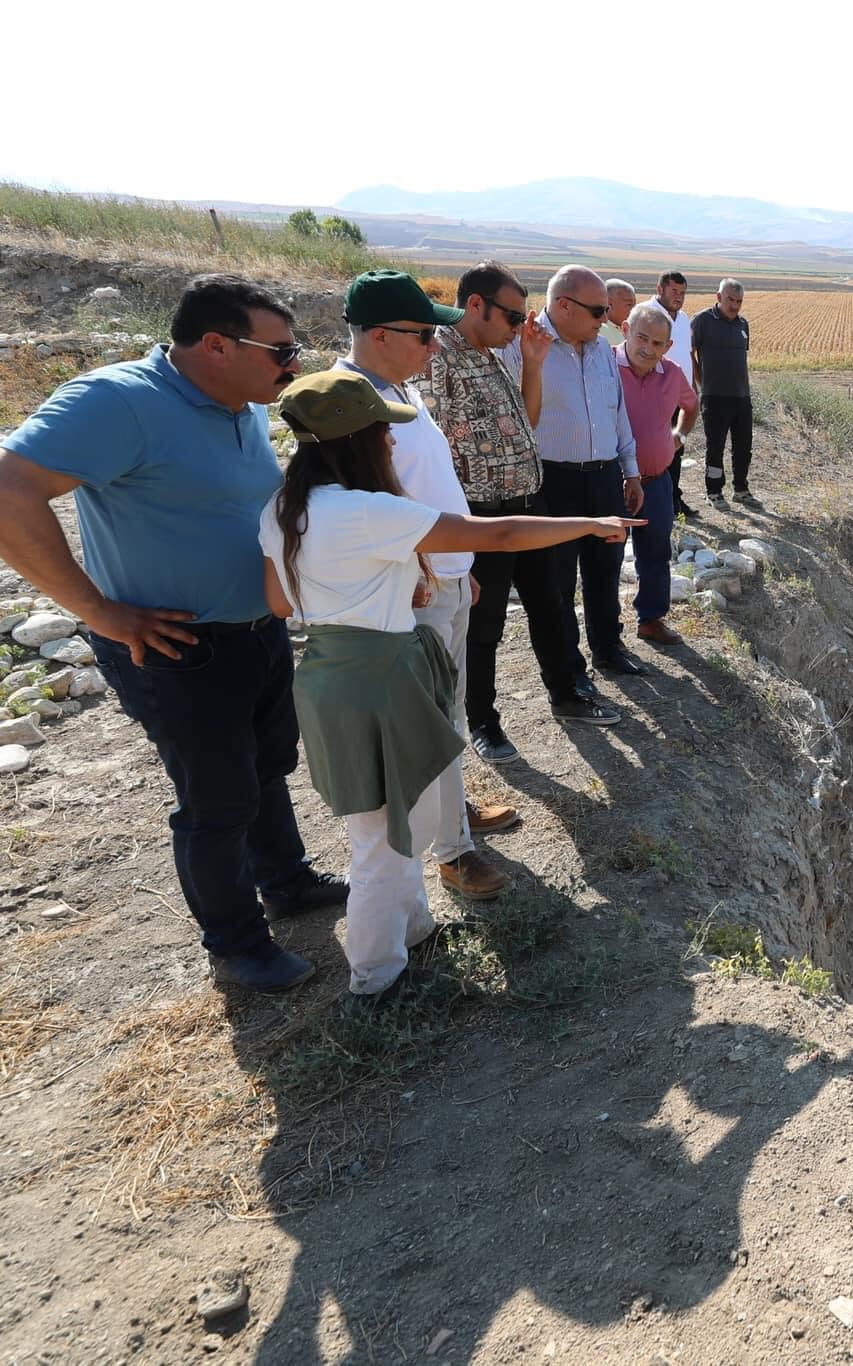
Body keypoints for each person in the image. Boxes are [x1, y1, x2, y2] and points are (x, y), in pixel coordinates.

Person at [0, 275, 347, 993]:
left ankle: (285, 882)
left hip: (255, 630)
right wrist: (97, 611)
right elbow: (9, 490)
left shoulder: (239, 400)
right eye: (281, 348)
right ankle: (237, 944)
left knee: (264, 768)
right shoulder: (118, 401)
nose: (293, 362)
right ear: (216, 345)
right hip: (178, 649)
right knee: (216, 800)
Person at [258, 370, 639, 1005]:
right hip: (380, 679)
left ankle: (414, 934)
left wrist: (362, 589)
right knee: (381, 843)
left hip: (330, 675)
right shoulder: (364, 511)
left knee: (393, 821)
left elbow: (278, 601)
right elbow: (501, 535)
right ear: (359, 440)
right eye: (384, 432)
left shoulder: (283, 508)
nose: (390, 444)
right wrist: (591, 523)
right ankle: (377, 981)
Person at [335, 270, 516, 900]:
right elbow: (370, 511)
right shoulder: (353, 404)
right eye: (423, 335)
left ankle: (455, 818)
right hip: (414, 589)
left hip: (445, 580)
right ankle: (452, 852)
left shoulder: (395, 390)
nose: (436, 347)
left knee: (452, 708)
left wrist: (460, 573)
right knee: (432, 719)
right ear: (380, 334)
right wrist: (426, 574)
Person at [417, 262, 620, 764]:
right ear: (475, 305)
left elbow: (528, 425)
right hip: (480, 517)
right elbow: (431, 450)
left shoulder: (493, 355)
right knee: (484, 624)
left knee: (551, 605)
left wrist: (531, 361)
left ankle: (567, 694)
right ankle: (483, 721)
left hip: (526, 504)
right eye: (512, 317)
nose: (518, 326)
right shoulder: (438, 359)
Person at [501, 265, 646, 681]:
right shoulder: (522, 347)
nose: (608, 320)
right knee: (557, 581)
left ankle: (608, 648)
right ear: (564, 306)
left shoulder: (601, 348)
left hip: (603, 477)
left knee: (605, 569)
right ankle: (569, 669)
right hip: (552, 479)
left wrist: (629, 471)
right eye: (600, 310)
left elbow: (616, 413)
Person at [615, 302, 690, 643]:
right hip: (610, 482)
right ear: (626, 331)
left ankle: (651, 618)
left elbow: (692, 404)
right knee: (606, 556)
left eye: (657, 343)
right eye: (642, 337)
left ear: (667, 347)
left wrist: (680, 434)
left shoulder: (673, 373)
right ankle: (606, 631)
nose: (647, 348)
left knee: (656, 550)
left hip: (657, 480)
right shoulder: (602, 365)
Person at [691, 278, 753, 505]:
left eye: (739, 301)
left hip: (741, 396)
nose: (734, 306)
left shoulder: (743, 325)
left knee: (743, 447)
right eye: (730, 300)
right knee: (715, 447)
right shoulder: (702, 321)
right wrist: (702, 381)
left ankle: (741, 489)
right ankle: (714, 492)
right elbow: (690, 353)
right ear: (718, 297)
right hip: (715, 397)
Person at [650, 270, 699, 520]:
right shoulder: (646, 314)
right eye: (674, 292)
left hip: (679, 397)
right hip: (655, 394)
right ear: (660, 290)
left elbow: (687, 356)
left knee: (677, 447)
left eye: (682, 293)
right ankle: (656, 503)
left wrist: (692, 388)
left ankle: (673, 500)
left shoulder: (683, 319)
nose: (679, 297)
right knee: (656, 449)